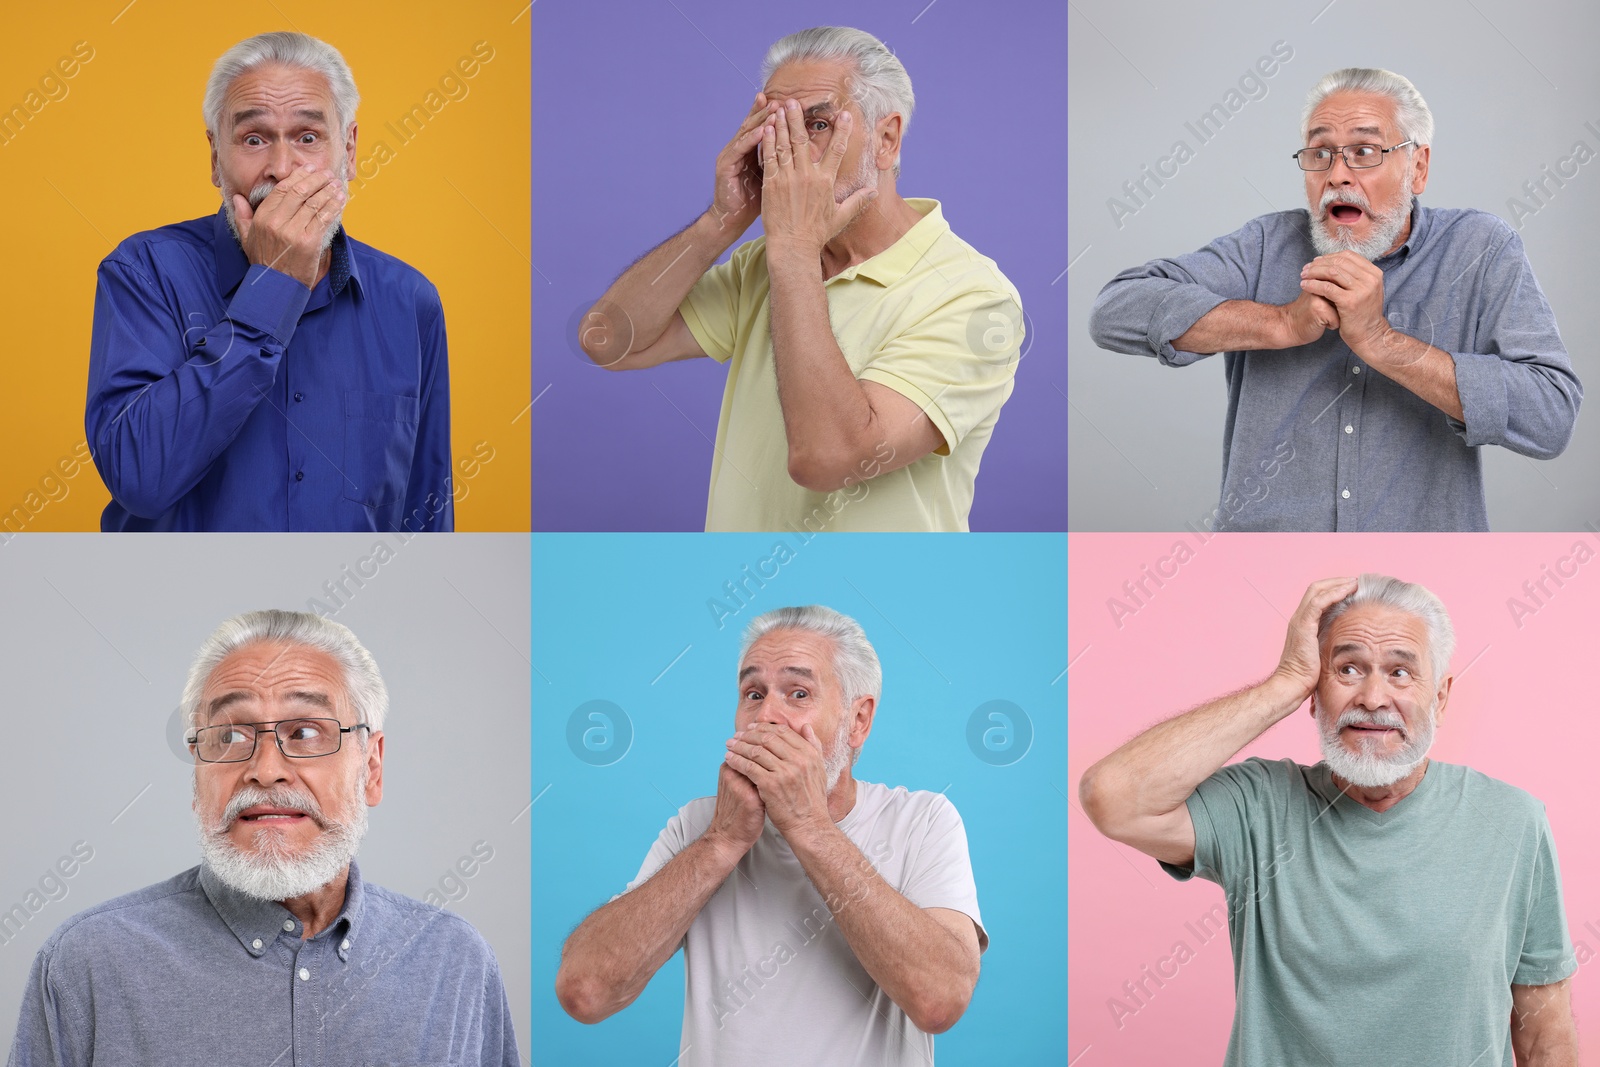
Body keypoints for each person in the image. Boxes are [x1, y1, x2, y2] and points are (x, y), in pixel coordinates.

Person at [1078, 575, 1578, 1065]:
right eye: (1347, 670)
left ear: (1441, 697)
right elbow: (1113, 797)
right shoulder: (1259, 804)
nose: (1374, 698)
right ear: (1314, 694)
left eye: (1400, 673)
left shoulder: (1513, 822)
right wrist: (1283, 683)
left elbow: (1543, 1039)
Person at [7, 611, 517, 1065]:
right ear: (196, 777)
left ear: (372, 768)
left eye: (306, 733)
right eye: (229, 736)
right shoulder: (88, 964)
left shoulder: (457, 963)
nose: (266, 770)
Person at [1089, 68, 1581, 532]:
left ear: (1418, 167)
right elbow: (1115, 311)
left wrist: (1383, 342)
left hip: (1422, 572)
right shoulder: (1265, 245)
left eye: (1365, 151)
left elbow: (1550, 415)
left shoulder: (1480, 248)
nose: (1338, 175)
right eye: (1320, 153)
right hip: (1262, 570)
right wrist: (1280, 323)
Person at [578, 26, 1023, 533]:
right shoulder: (764, 263)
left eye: (816, 124)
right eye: (775, 127)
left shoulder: (976, 299)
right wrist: (718, 223)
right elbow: (608, 341)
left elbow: (826, 460)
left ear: (886, 138)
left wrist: (792, 250)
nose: (787, 152)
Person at [556, 605, 986, 1064]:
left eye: (798, 693)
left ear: (857, 721)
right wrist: (720, 842)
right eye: (754, 694)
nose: (767, 718)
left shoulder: (923, 821)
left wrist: (810, 827)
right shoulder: (697, 826)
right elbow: (585, 993)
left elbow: (940, 1001)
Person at [85, 32, 453, 532]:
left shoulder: (410, 302)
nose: (281, 170)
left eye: (308, 137)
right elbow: (140, 481)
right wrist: (272, 288)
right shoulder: (143, 273)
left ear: (348, 150)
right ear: (216, 157)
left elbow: (426, 518)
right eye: (254, 139)